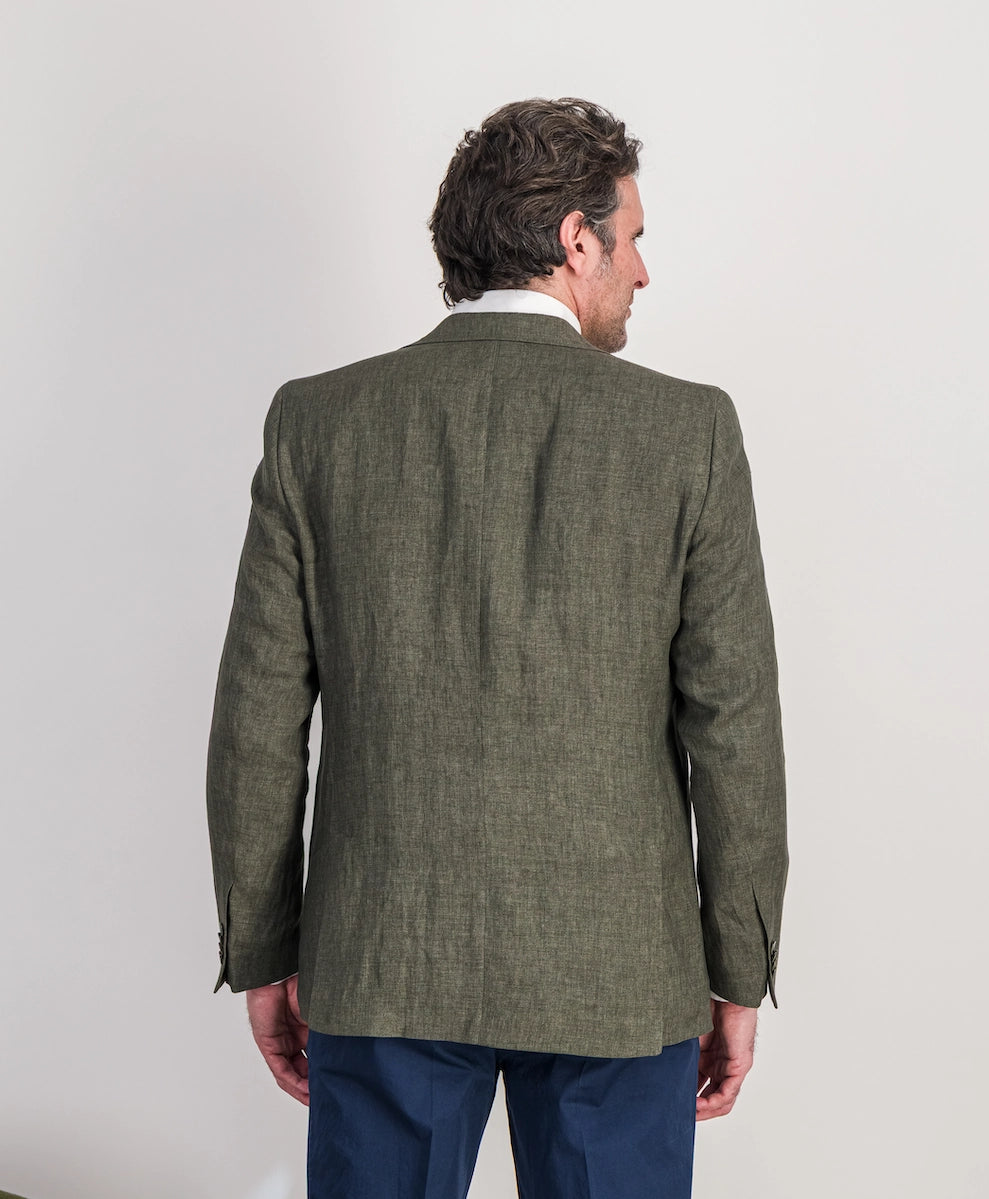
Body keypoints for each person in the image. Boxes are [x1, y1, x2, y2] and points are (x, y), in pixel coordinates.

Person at [207, 97, 788, 1198]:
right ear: (576, 240)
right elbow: (735, 728)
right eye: (633, 238)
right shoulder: (688, 432)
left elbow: (258, 720)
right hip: (621, 973)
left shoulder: (320, 423)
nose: (643, 270)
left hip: (383, 960)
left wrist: (263, 949)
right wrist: (738, 969)